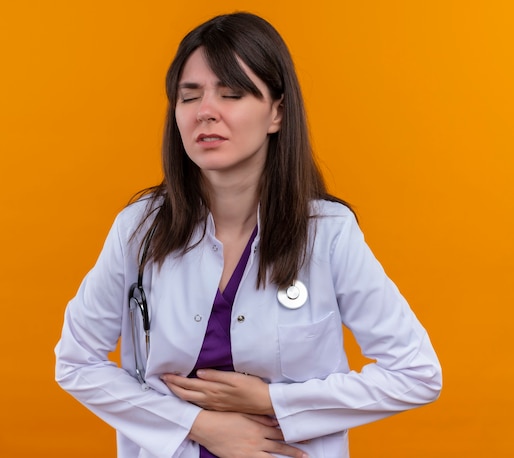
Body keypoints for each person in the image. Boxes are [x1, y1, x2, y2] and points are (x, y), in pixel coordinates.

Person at [54, 12, 442, 458]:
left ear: (277, 112)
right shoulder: (139, 230)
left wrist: (274, 403)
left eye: (232, 93)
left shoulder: (328, 235)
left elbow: (417, 373)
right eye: (189, 96)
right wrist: (197, 426)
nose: (205, 112)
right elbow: (76, 362)